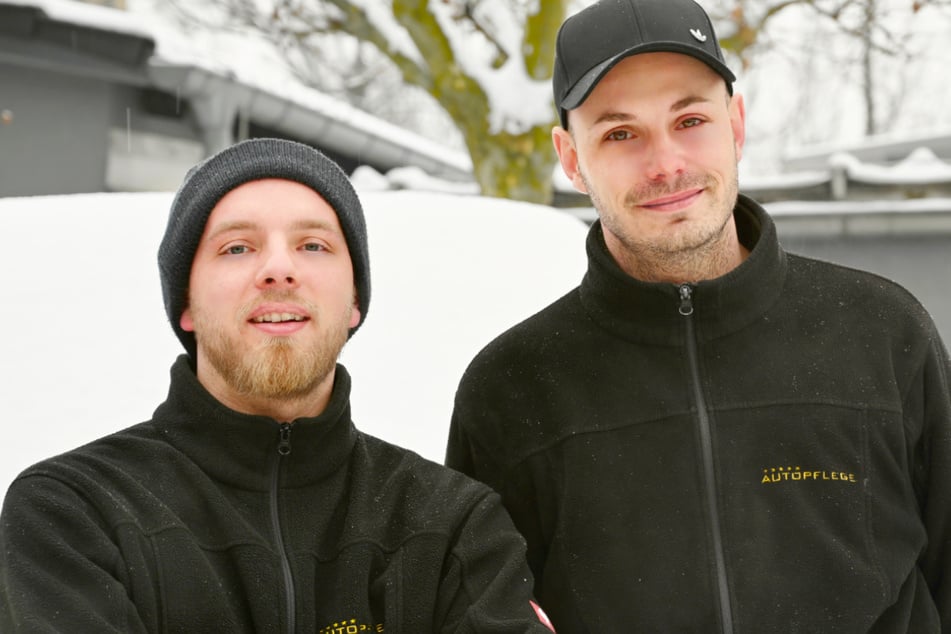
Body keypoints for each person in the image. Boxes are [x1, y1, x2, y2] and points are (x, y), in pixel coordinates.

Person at [446, 0, 951, 631]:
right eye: (620, 133)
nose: (666, 164)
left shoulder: (883, 332)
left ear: (736, 124)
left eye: (690, 119)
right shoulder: (513, 389)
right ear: (571, 157)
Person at [0, 138, 556, 633]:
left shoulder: (453, 526)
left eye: (313, 245)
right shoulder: (74, 512)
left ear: (355, 301)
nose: (278, 270)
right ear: (186, 303)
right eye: (236, 247)